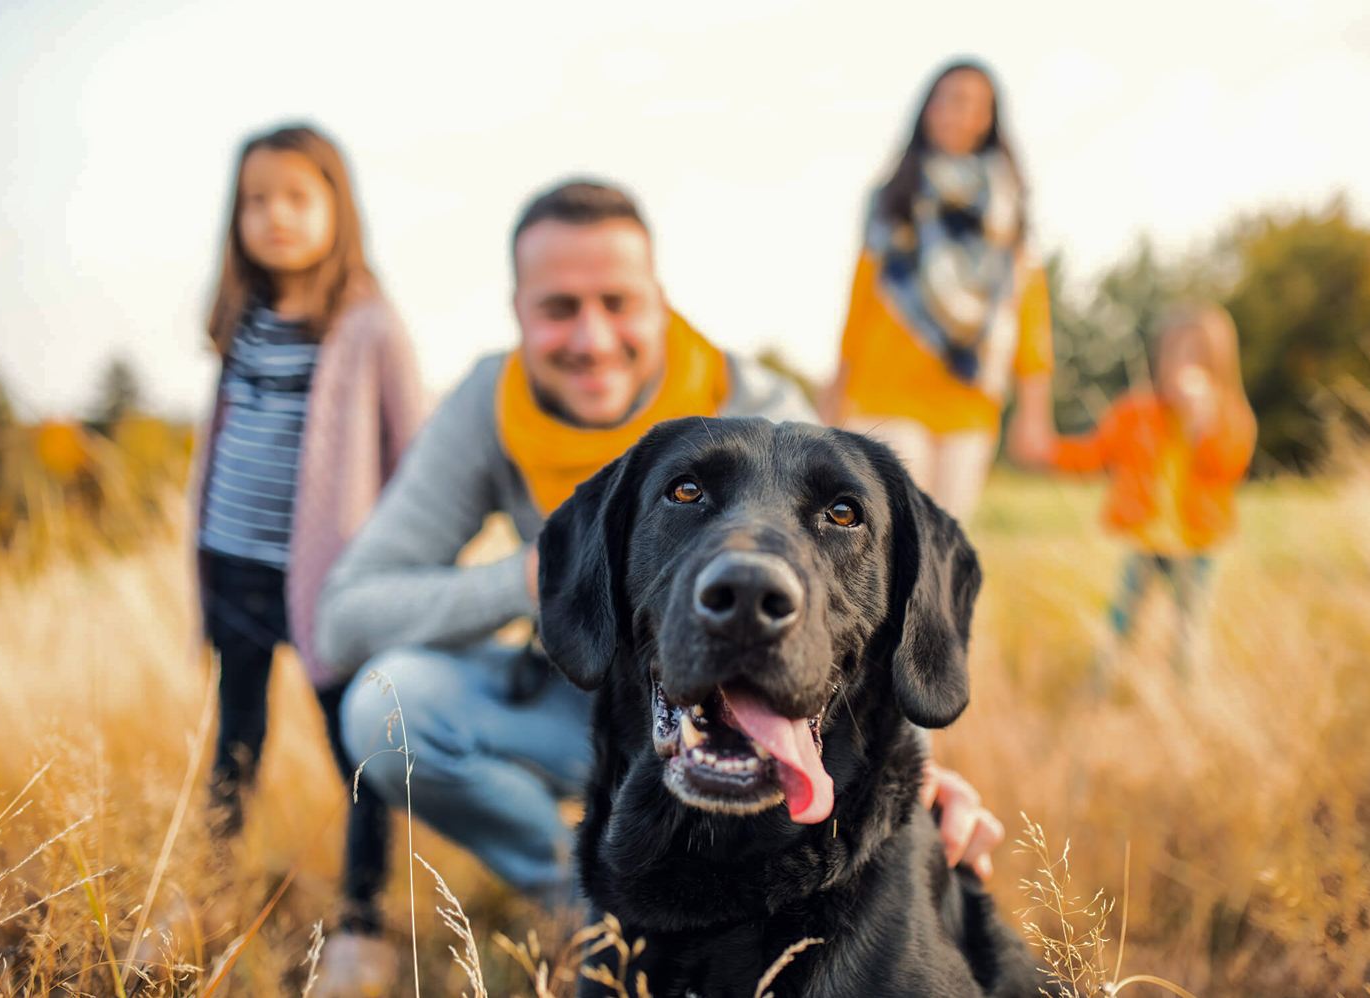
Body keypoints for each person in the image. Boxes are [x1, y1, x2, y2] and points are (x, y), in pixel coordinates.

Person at [316, 180, 1009, 991]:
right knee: (384, 701)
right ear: (516, 310)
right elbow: (343, 619)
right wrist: (532, 579)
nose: (593, 336)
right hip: (592, 686)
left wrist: (910, 771)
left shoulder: (757, 406)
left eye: (618, 301)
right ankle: (599, 901)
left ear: (660, 302)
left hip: (769, 697)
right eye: (559, 307)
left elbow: (857, 601)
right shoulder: (487, 407)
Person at [184, 125, 426, 975]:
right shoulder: (241, 320)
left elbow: (418, 457)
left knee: (357, 746)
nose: (275, 216)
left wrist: (398, 573)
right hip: (235, 569)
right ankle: (208, 895)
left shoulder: (367, 324)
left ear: (336, 207)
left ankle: (362, 924)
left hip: (330, 586)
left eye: (296, 197)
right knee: (234, 742)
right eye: (256, 200)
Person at [824, 59, 1056, 521]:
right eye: (950, 99)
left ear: (989, 120)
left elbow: (1028, 312)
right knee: (889, 528)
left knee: (945, 541)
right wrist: (835, 391)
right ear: (927, 110)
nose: (960, 112)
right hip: (885, 393)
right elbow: (861, 301)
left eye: (975, 104)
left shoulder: (1009, 210)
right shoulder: (893, 197)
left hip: (968, 400)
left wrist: (1035, 412)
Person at [1041, 302, 1256, 683]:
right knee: (1122, 618)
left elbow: (1229, 467)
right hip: (1146, 540)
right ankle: (1100, 684)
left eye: (1196, 354)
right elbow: (1095, 453)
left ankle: (1187, 691)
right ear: (1160, 358)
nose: (1183, 364)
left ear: (1218, 362)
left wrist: (1201, 423)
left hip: (1198, 544)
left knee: (1189, 627)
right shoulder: (1136, 412)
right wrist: (1047, 451)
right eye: (1175, 352)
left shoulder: (1228, 415)